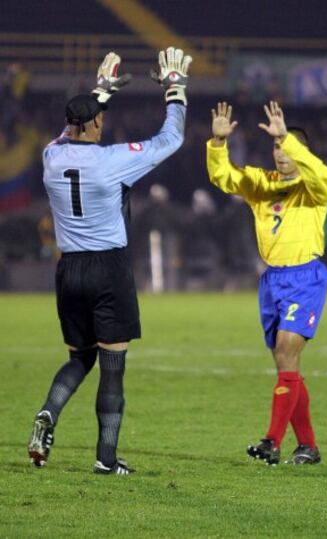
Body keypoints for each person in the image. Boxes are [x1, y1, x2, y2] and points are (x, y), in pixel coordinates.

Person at [28, 47, 192, 475]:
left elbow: (68, 133)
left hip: (68, 271)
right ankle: (105, 457)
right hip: (108, 269)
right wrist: (175, 90)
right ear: (97, 123)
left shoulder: (51, 158)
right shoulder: (111, 162)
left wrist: (100, 92)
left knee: (79, 358)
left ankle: (48, 413)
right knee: (113, 367)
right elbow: (170, 140)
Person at [207, 101, 327, 465]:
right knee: (285, 363)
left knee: (287, 351)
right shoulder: (262, 184)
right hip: (273, 280)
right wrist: (217, 142)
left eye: (286, 145)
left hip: (305, 277)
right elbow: (224, 177)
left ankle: (271, 442)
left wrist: (288, 138)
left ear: (301, 151)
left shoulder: (314, 189)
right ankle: (308, 446)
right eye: (276, 145)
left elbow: (322, 175)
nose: (279, 152)